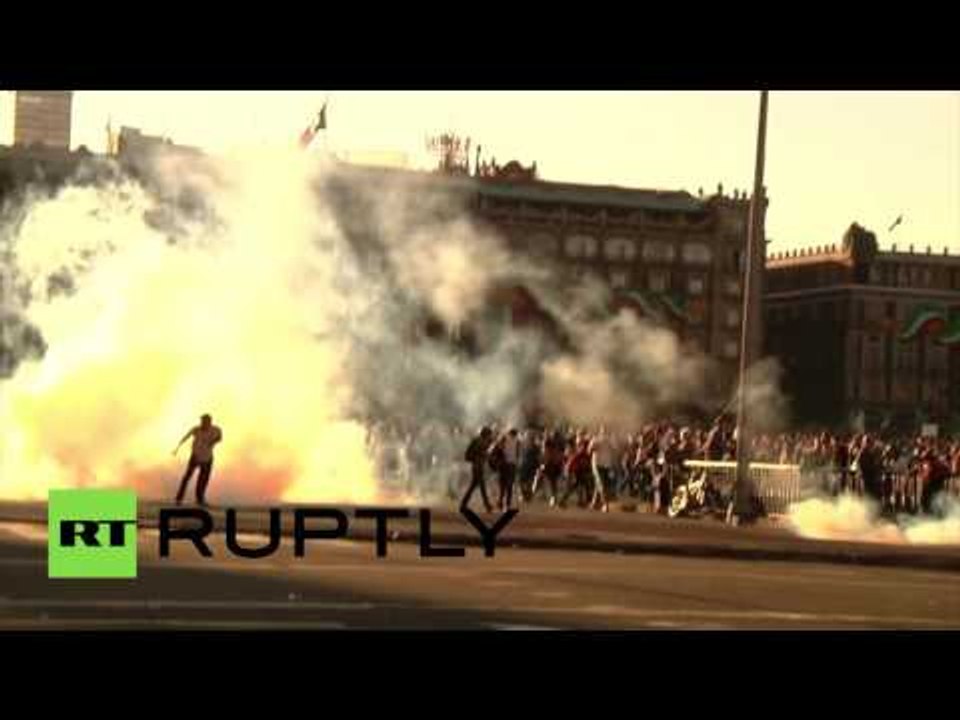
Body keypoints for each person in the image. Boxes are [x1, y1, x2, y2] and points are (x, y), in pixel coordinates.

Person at [173, 413, 223, 506]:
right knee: (187, 477)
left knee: (203, 480)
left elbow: (220, 437)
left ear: (210, 422)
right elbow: (185, 437)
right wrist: (177, 448)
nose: (203, 423)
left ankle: (200, 499)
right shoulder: (196, 430)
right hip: (195, 456)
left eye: (206, 422)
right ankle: (179, 498)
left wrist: (214, 441)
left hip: (207, 458)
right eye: (202, 421)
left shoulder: (216, 429)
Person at [461, 426, 494, 513]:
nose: (490, 436)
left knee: (473, 486)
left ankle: (464, 503)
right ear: (486, 434)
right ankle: (487, 505)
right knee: (482, 486)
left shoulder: (481, 440)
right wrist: (484, 453)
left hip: (478, 465)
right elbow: (477, 452)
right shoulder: (479, 441)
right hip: (477, 466)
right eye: (489, 434)